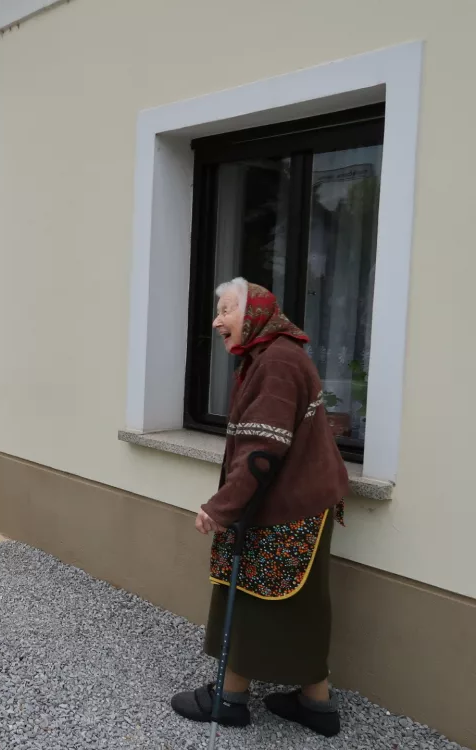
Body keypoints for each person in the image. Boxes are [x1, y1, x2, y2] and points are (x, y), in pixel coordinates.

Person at [171, 278, 349, 738]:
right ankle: (316, 705)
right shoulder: (273, 357)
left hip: (286, 506)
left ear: (253, 314)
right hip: (300, 503)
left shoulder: (276, 363)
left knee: (248, 593)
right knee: (302, 606)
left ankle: (228, 700)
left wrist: (221, 507)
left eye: (226, 310)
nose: (217, 322)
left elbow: (262, 452)